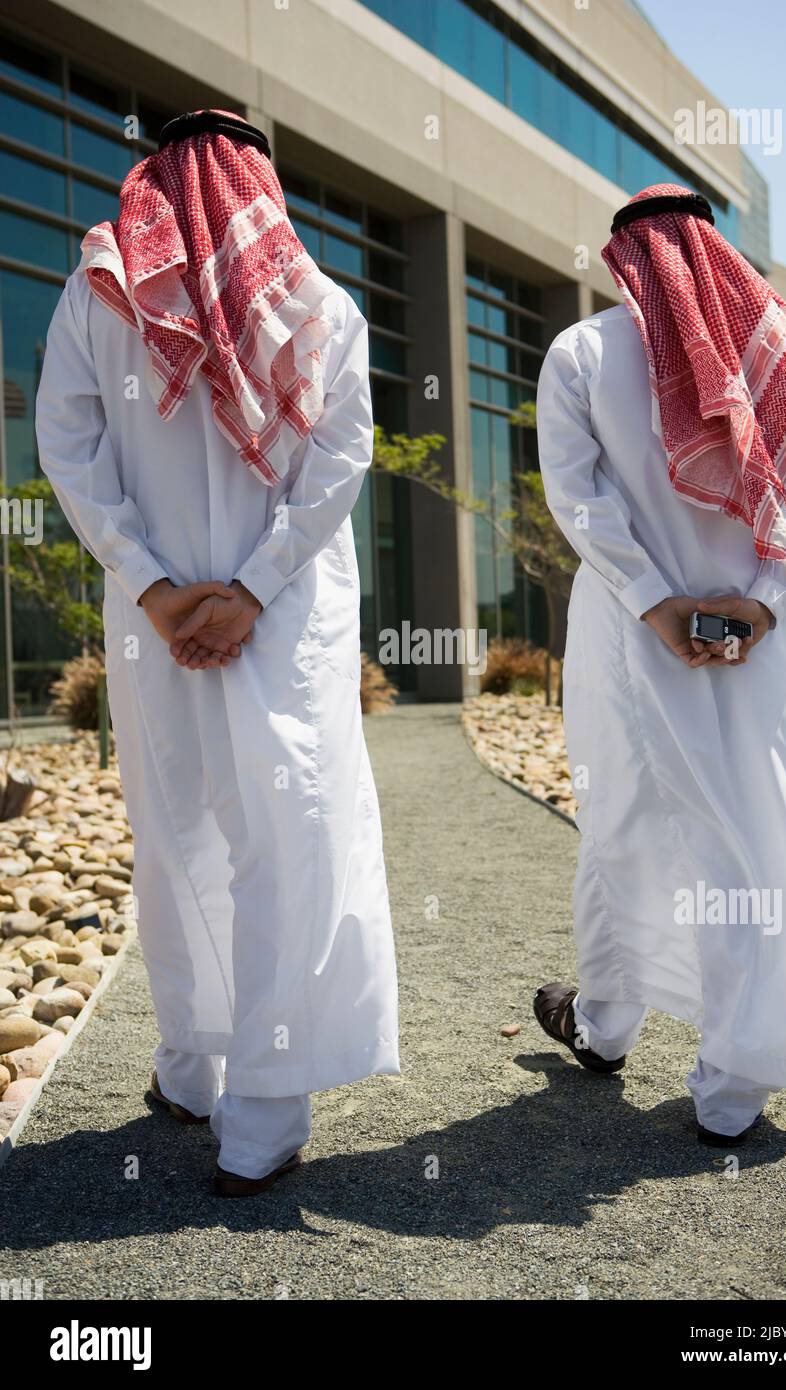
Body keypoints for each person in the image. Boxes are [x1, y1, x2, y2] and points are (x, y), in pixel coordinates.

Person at [36, 110, 399, 1195]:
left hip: (157, 620)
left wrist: (149, 580)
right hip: (275, 618)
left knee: (178, 830)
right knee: (278, 842)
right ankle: (252, 1114)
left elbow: (66, 441)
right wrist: (246, 592)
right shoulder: (318, 301)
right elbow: (343, 457)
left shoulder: (98, 285)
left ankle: (196, 1071)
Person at [533, 184, 786, 1144]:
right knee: (749, 836)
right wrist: (759, 599)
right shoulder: (779, 357)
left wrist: (654, 599)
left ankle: (604, 1027)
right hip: (753, 641)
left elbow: (576, 499)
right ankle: (733, 1092)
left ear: (623, 258)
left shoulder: (583, 350)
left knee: (624, 824)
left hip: (631, 637)